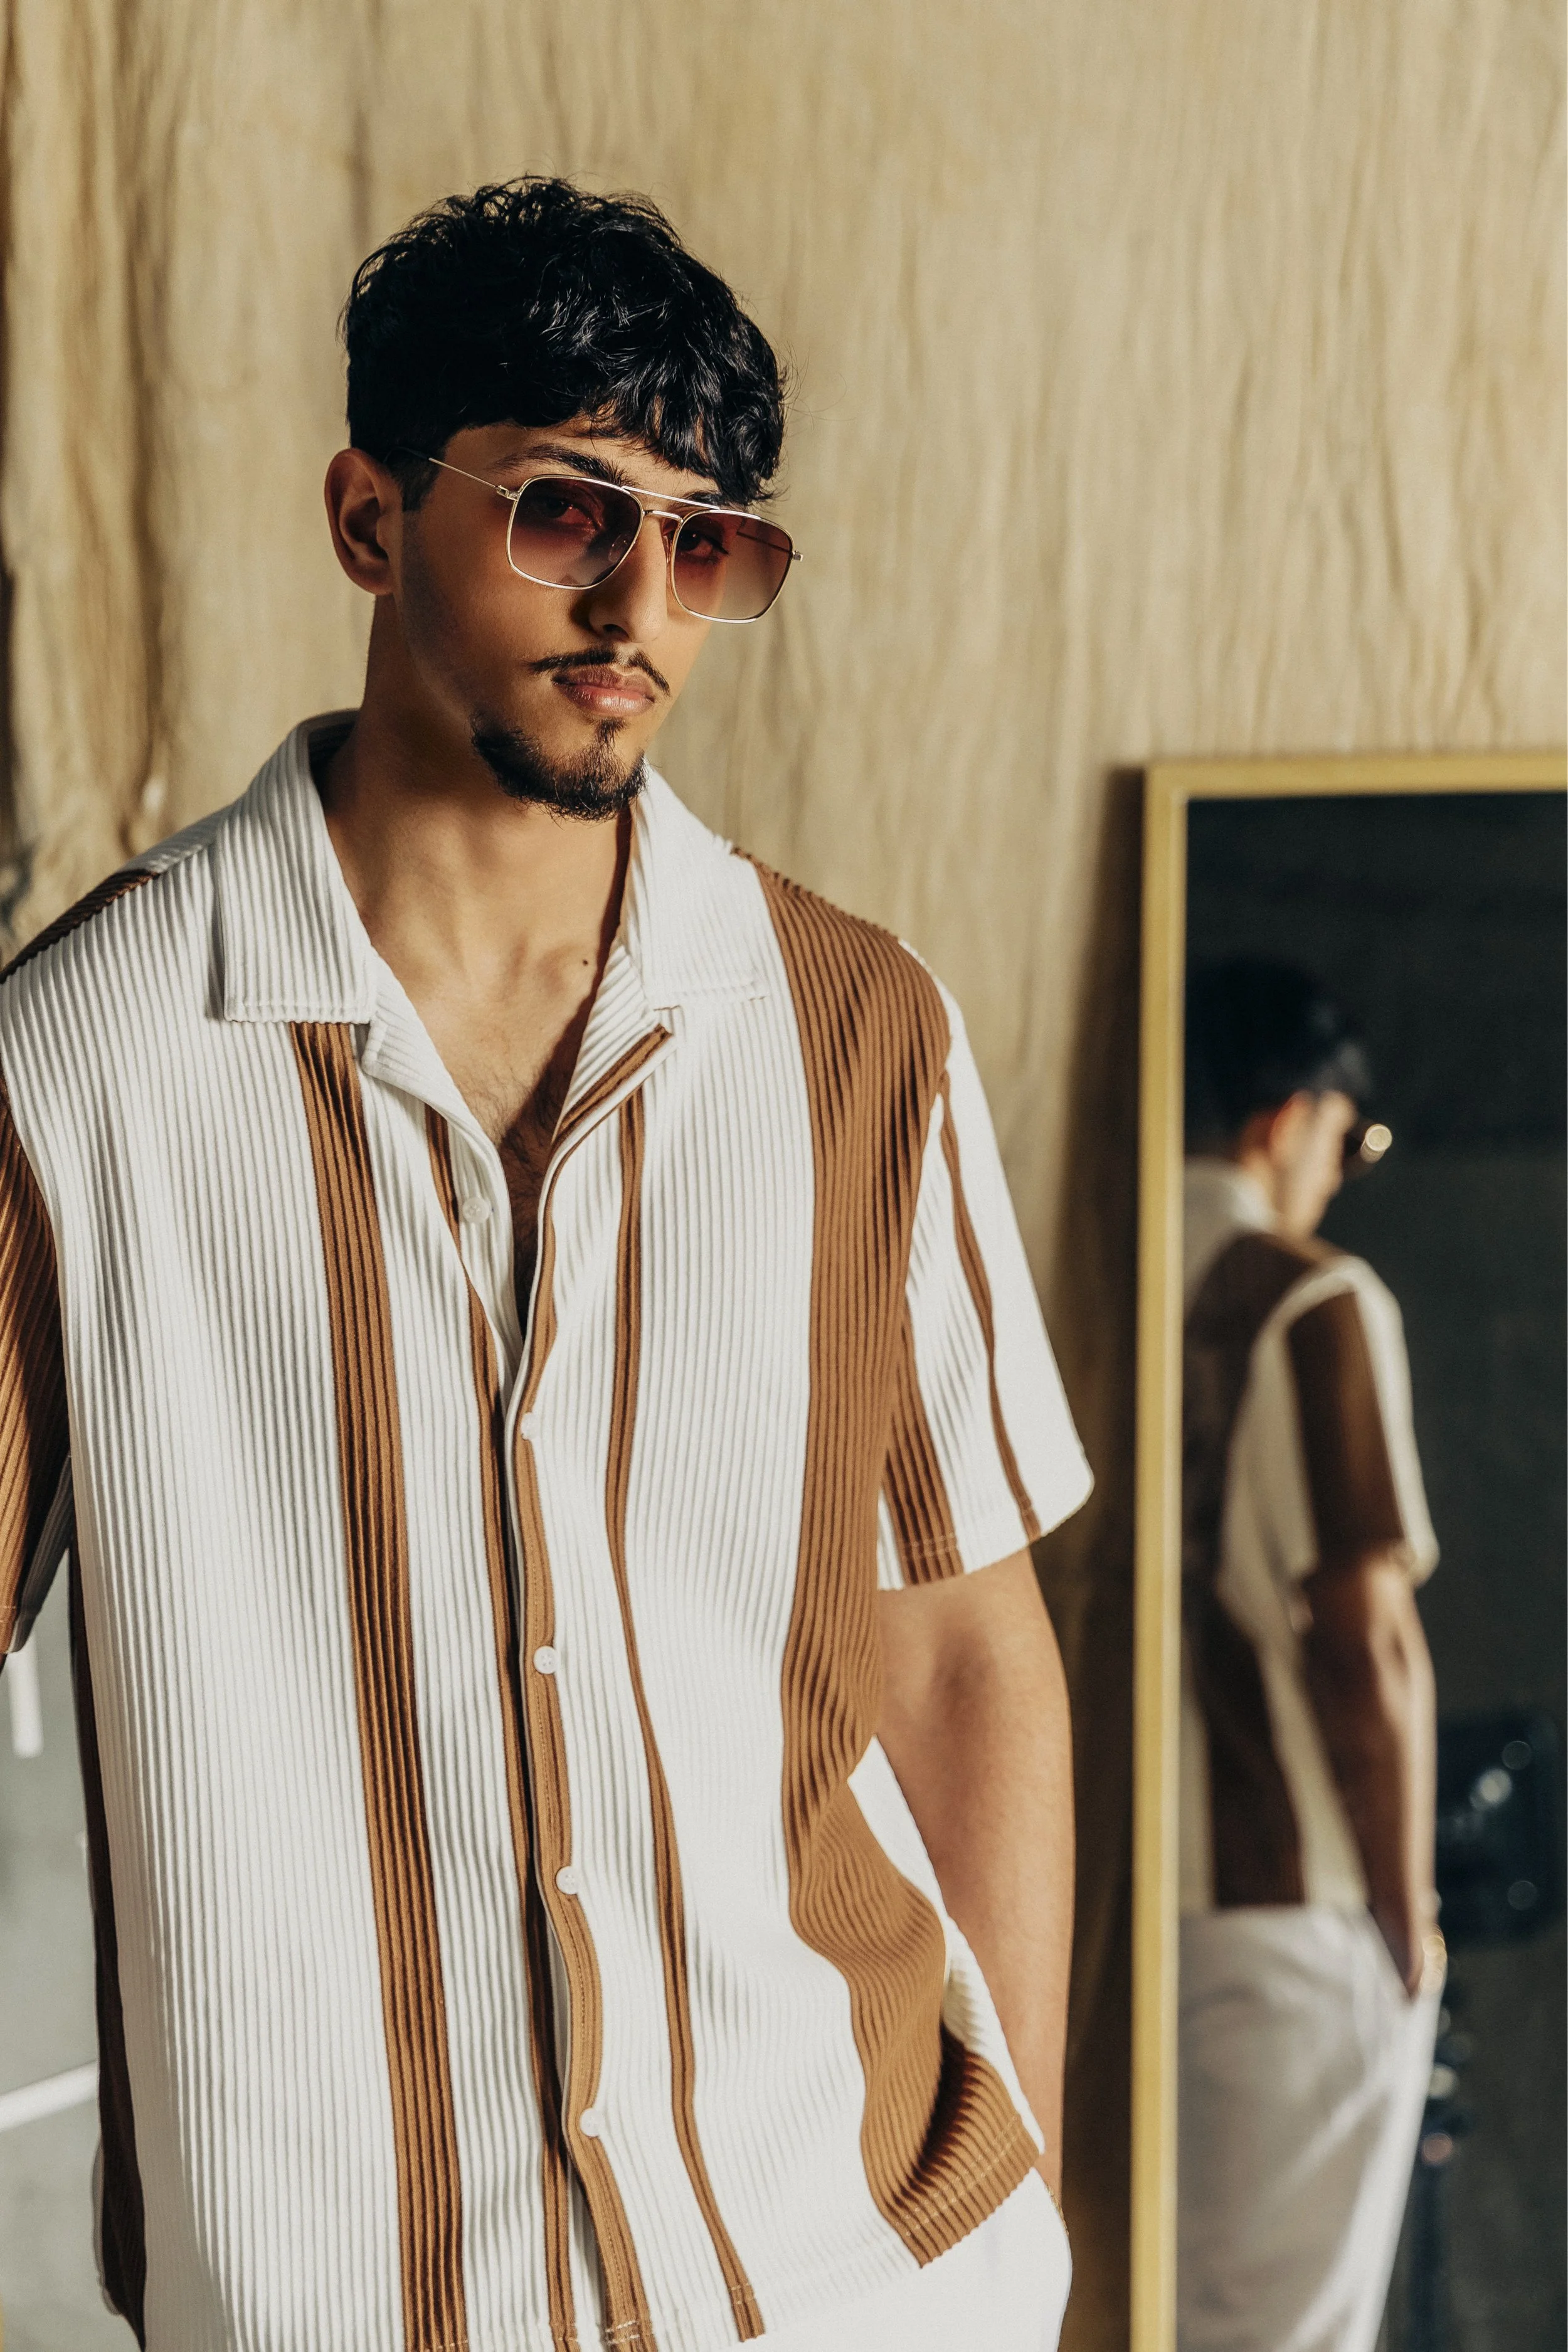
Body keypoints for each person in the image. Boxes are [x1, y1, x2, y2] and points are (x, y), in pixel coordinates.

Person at [0, 179, 1092, 2352]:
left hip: (850, 2279)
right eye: (567, 512)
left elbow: (967, 1653)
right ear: (365, 516)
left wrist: (1015, 2183)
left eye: (706, 543)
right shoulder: (81, 1070)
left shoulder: (859, 1028)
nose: (639, 604)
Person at [1177, 957, 1444, 2352]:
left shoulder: (1072, 1269)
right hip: (1285, 1904)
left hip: (1103, 1898)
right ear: (1284, 1120)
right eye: (1344, 1140)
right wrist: (1403, 1920)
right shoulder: (1305, 1299)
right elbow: (1365, 1639)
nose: (1338, 1176)